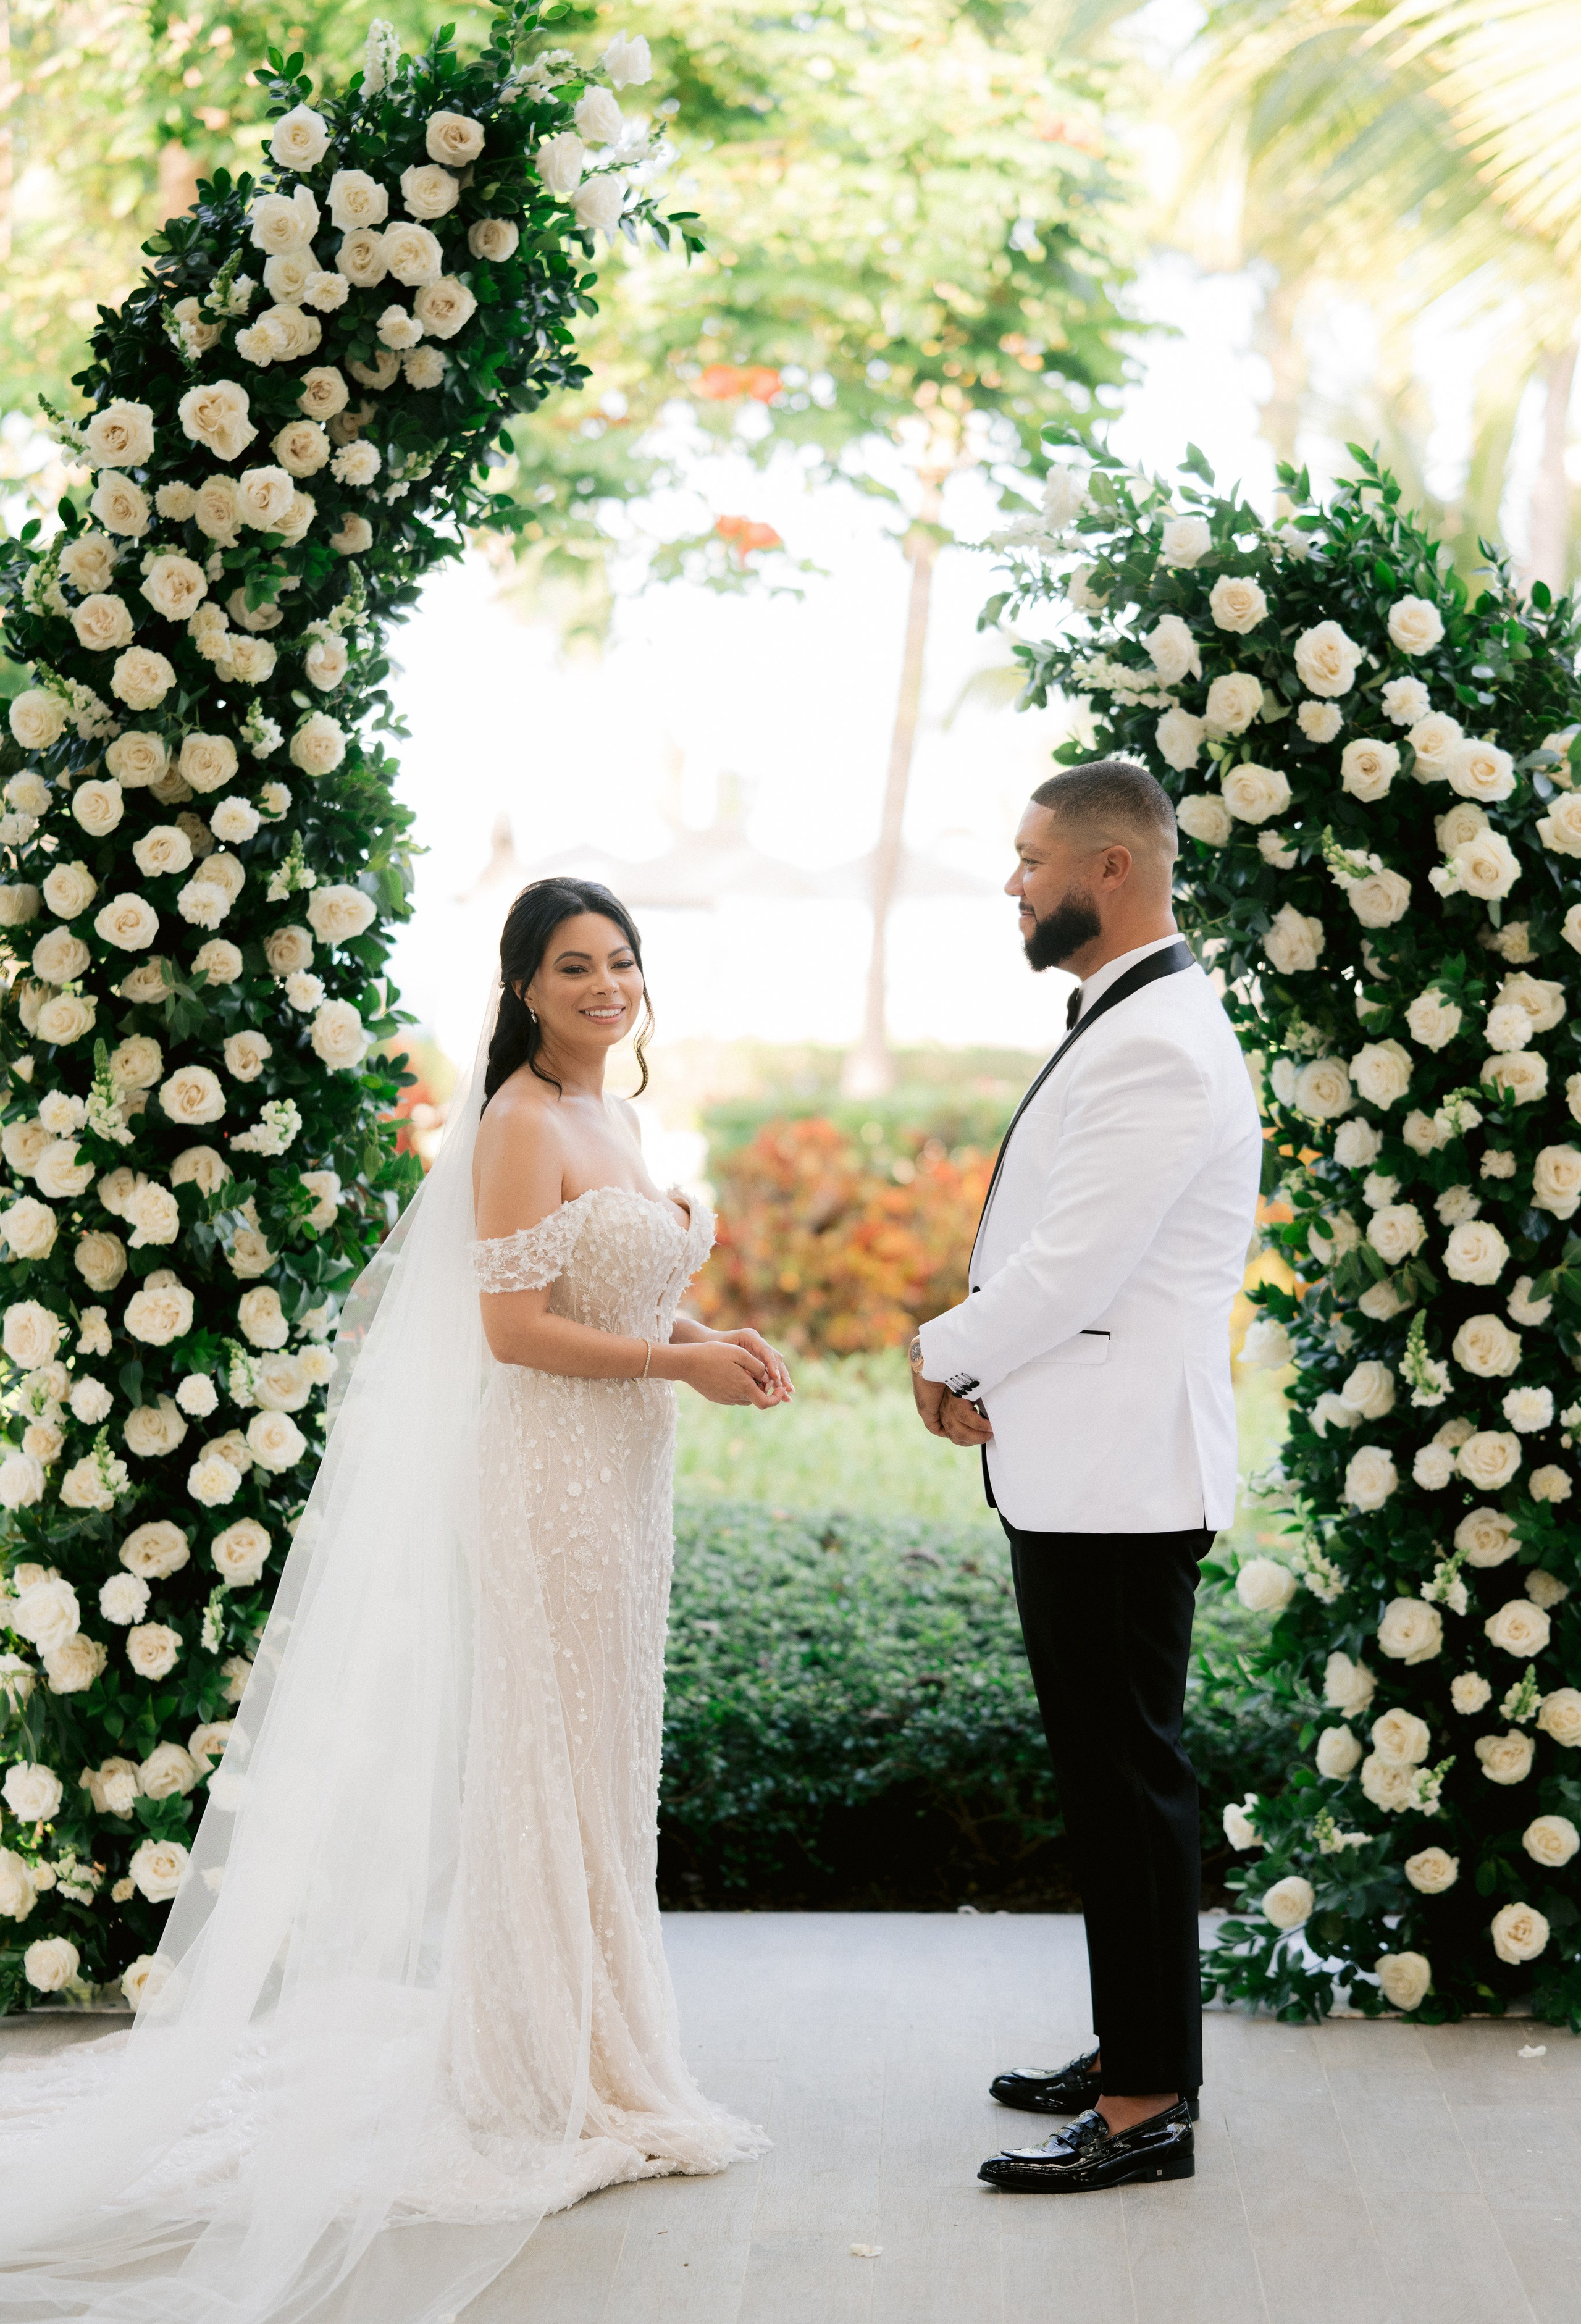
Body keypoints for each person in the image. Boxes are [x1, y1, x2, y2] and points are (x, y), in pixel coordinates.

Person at [0, 878, 783, 2324]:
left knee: (602, 1755)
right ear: (525, 989)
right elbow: (513, 1329)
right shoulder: (517, 1124)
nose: (605, 985)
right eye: (573, 967)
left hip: (624, 1489)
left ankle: (602, 2046)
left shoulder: (613, 1114)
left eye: (620, 961)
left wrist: (698, 1333)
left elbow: (603, 1291)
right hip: (545, 1480)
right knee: (542, 1754)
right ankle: (526, 2066)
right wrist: (678, 1365)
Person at [908, 763, 1261, 2196]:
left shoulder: (1159, 1042)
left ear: (1109, 871)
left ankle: (1141, 2104)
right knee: (1112, 1774)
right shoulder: (1136, 1016)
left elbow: (1072, 1266)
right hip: (1087, 1467)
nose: (1011, 882)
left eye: (1029, 858)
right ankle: (1138, 2043)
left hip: (1119, 1476)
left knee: (1126, 1781)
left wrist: (941, 1345)